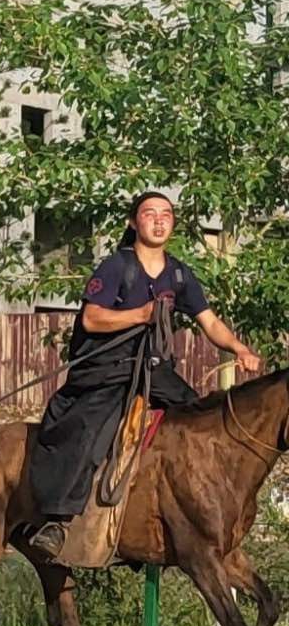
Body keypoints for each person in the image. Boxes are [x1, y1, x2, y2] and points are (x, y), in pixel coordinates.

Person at [28, 191, 261, 558]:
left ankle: (186, 512)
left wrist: (239, 348)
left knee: (200, 424)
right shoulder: (116, 267)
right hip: (108, 370)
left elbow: (210, 321)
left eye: (166, 214)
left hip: (155, 371)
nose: (158, 220)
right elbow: (91, 318)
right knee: (91, 430)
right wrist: (140, 314)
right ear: (133, 222)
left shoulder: (179, 273)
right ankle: (58, 520)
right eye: (149, 214)